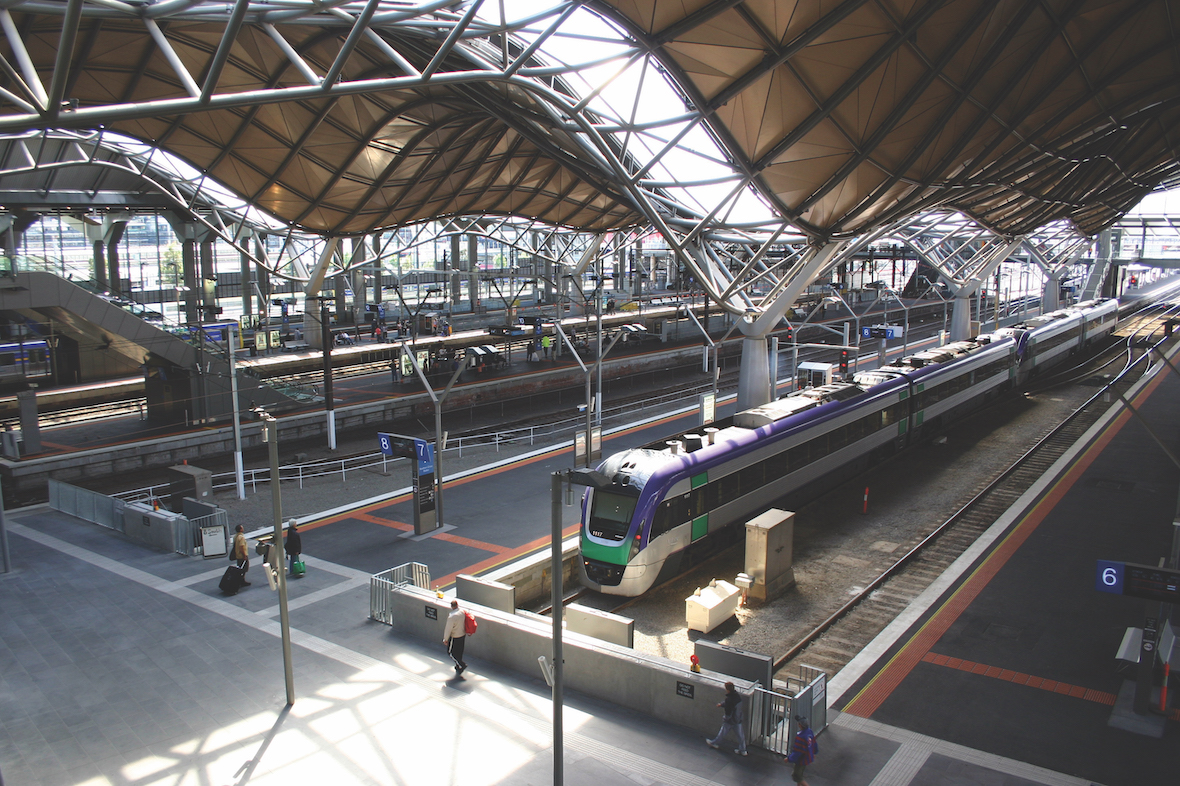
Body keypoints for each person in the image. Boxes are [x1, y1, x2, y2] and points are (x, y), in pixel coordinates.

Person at [705, 681, 747, 756]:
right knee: (740, 736)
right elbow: (732, 706)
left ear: (727, 689)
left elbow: (728, 710)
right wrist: (722, 704)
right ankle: (743, 750)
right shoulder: (737, 696)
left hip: (730, 721)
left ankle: (714, 743)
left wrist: (725, 718)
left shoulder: (729, 699)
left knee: (722, 733)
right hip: (737, 720)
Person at [785, 716, 818, 784]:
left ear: (800, 725)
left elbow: (797, 751)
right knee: (800, 774)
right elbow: (814, 742)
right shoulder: (809, 731)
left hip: (801, 759)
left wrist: (789, 758)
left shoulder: (800, 737)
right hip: (807, 756)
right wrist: (814, 752)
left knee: (797, 776)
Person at [442, 599, 468, 675]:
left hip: (455, 636)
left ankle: (461, 664)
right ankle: (458, 666)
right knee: (459, 651)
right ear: (457, 605)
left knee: (451, 652)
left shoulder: (451, 617)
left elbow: (448, 629)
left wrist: (445, 639)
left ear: (451, 606)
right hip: (462, 635)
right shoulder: (462, 612)